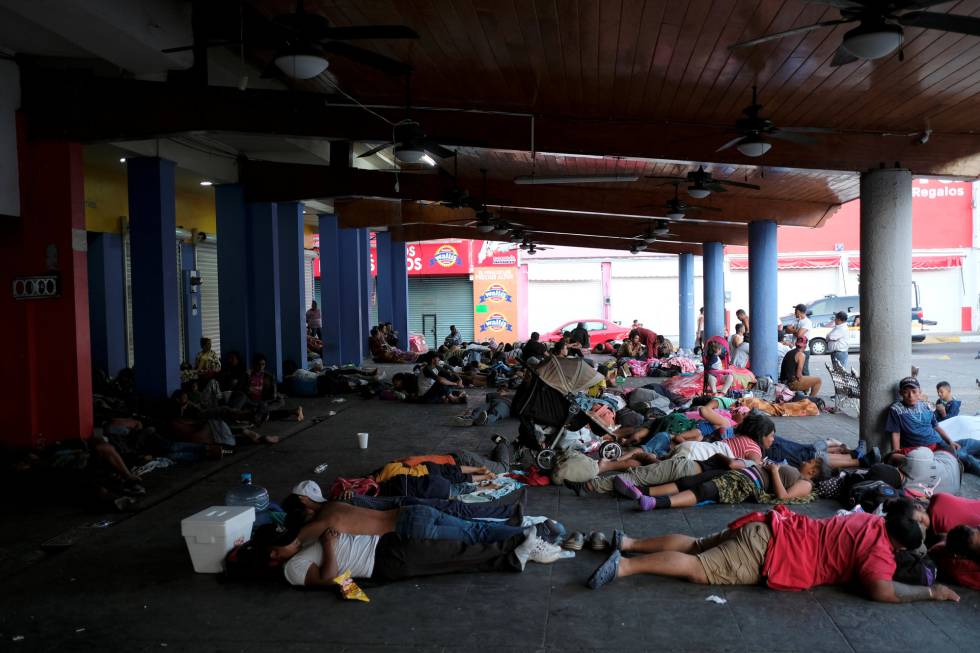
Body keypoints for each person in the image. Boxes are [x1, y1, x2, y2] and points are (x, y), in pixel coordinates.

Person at [586, 499, 962, 605]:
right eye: (922, 521)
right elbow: (882, 590)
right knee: (698, 567)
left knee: (697, 544)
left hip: (770, 527)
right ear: (904, 541)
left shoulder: (868, 520)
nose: (924, 521)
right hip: (771, 553)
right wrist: (931, 592)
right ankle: (625, 567)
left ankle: (629, 542)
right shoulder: (880, 553)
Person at [271, 524, 562, 588]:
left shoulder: (301, 545)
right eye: (287, 543)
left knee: (454, 561)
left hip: (385, 547)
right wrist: (329, 544)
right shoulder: (293, 568)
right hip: (382, 561)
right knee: (454, 552)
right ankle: (516, 544)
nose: (294, 541)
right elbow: (328, 579)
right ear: (274, 553)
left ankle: (512, 559)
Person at [886, 376, 958, 454]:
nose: (911, 396)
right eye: (906, 392)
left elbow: (936, 426)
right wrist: (896, 453)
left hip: (937, 442)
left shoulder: (926, 405)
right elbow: (895, 433)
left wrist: (950, 441)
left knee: (959, 454)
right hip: (917, 449)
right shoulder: (896, 409)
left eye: (914, 392)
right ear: (901, 393)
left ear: (919, 392)